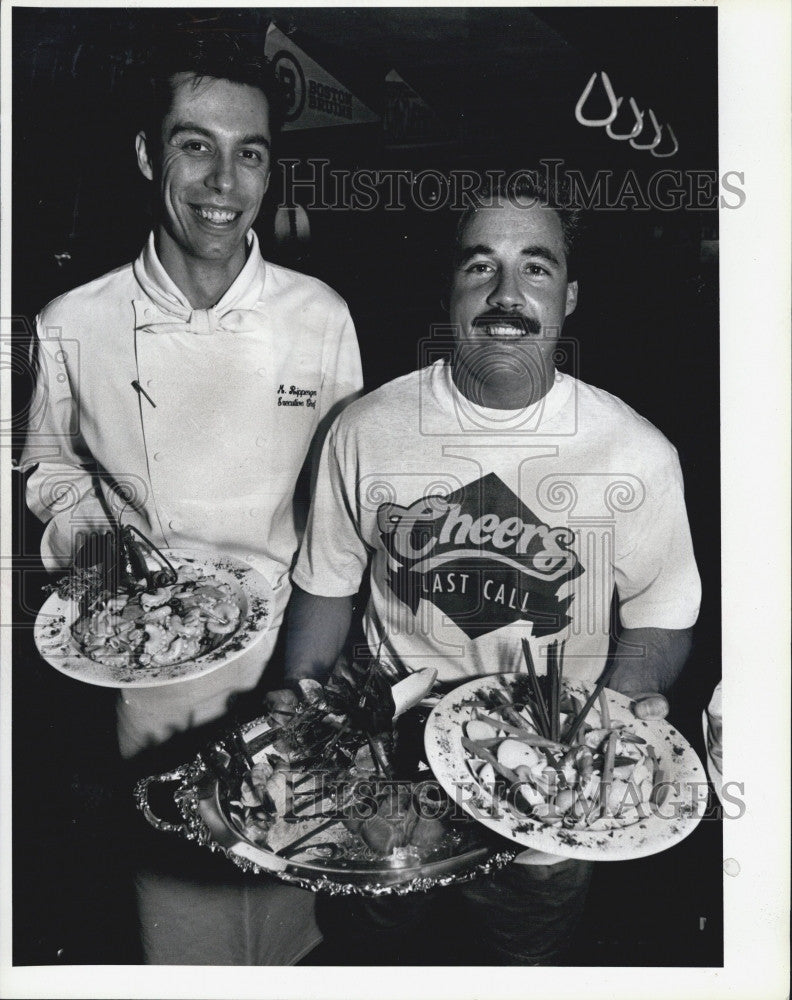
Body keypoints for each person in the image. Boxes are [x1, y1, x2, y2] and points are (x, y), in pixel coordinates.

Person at [284, 174, 701, 964]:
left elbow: (663, 609)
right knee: (375, 952)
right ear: (450, 287)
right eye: (481, 266)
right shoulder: (366, 429)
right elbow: (326, 586)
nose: (505, 294)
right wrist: (304, 716)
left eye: (534, 268)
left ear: (569, 296)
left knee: (523, 956)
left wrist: (605, 723)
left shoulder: (635, 453)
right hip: (391, 772)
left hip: (546, 784)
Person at [20, 30, 362, 964]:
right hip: (149, 664)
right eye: (194, 144)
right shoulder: (72, 322)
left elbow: (343, 501)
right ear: (146, 154)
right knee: (182, 915)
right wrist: (95, 542)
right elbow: (47, 470)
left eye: (249, 152)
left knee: (296, 899)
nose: (223, 180)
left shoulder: (321, 315)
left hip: (294, 656)